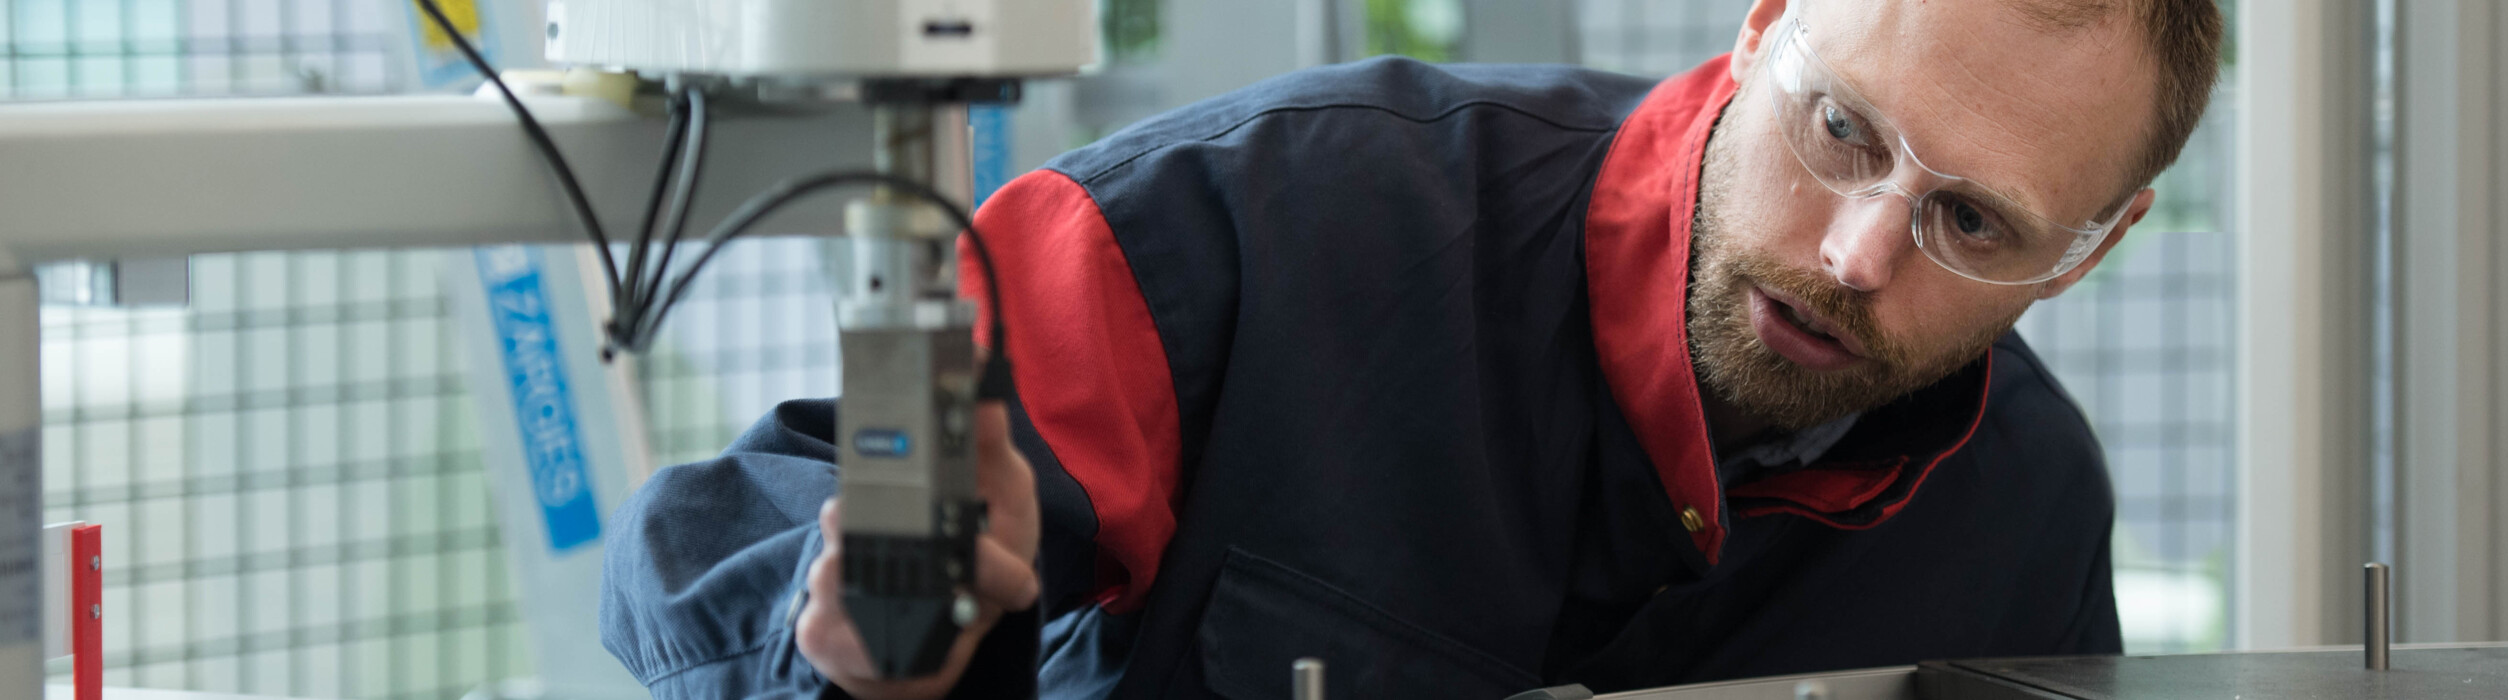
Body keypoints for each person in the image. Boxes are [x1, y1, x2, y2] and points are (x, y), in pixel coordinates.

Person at [598, 0, 2222, 696]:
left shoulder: (2024, 515)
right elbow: (714, 554)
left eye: (1971, 221)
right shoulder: (1254, 231)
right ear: (1760, 30)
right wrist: (870, 647)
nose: (1857, 254)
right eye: (1844, 129)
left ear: (2092, 248)